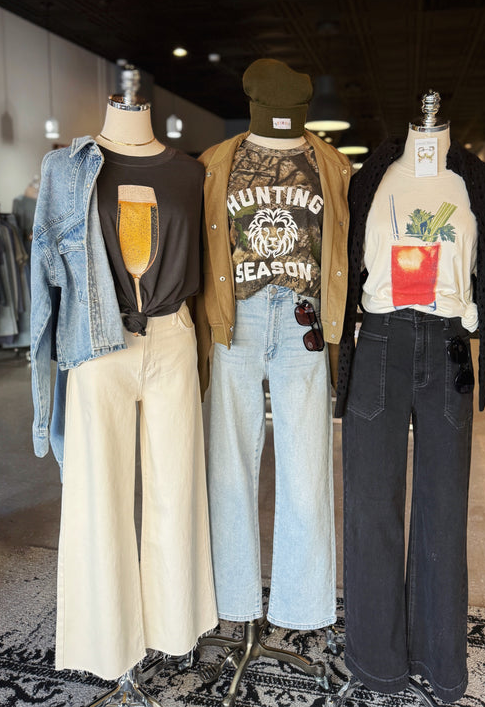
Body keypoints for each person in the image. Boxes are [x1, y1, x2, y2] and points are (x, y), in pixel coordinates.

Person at [335, 102, 485, 704]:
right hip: (380, 339)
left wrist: (476, 312)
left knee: (443, 510)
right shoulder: (369, 178)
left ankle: (441, 664)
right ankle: (377, 662)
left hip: (448, 345)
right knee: (371, 507)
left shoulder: (484, 188)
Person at [30, 82, 216, 682]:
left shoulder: (191, 173)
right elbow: (43, 277)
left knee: (177, 489)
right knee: (98, 495)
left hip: (172, 333)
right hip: (97, 340)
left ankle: (172, 630)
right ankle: (108, 648)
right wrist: (42, 390)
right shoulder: (65, 169)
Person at [196, 58, 350, 634]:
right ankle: (234, 604)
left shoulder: (331, 164)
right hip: (234, 317)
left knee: (307, 474)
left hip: (303, 321)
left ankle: (301, 609)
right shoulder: (217, 161)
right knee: (229, 466)